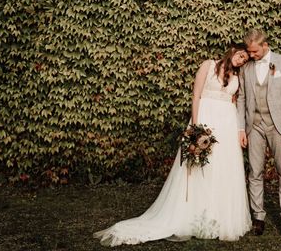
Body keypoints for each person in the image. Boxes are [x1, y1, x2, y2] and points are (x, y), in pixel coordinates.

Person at [93, 44, 252, 246]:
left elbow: (235, 102)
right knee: (199, 168)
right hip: (206, 120)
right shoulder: (208, 65)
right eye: (241, 56)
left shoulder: (238, 77)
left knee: (222, 170)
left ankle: (218, 218)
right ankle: (193, 215)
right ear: (231, 51)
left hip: (226, 126)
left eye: (245, 59)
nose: (242, 60)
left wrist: (238, 128)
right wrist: (196, 127)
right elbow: (196, 95)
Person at [237, 29, 281, 237]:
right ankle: (258, 216)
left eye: (255, 52)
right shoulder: (246, 68)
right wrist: (240, 128)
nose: (251, 55)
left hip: (278, 127)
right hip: (254, 126)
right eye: (250, 52)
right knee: (255, 172)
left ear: (265, 45)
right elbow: (241, 98)